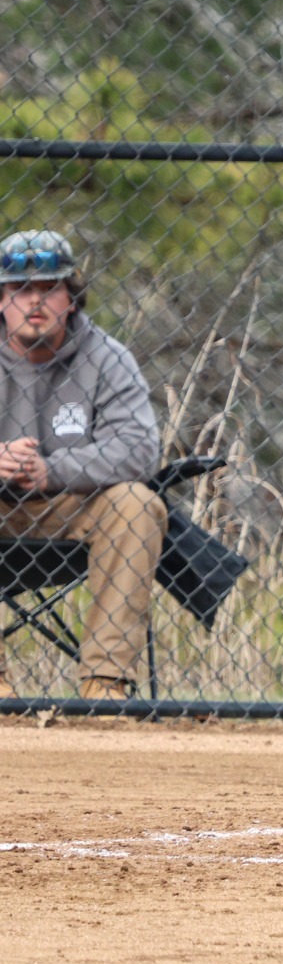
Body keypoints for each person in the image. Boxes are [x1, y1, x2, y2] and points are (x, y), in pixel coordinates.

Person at [0, 230, 167, 702]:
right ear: (1, 300)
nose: (36, 301)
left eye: (50, 288)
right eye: (21, 290)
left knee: (137, 503)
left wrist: (51, 471)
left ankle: (105, 684)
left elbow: (139, 449)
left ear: (72, 298)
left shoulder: (108, 357)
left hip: (70, 508)